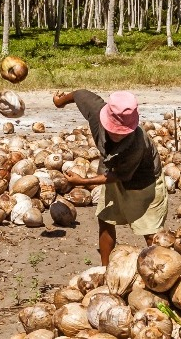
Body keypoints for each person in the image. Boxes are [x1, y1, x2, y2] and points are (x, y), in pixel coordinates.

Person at [52, 89, 167, 266]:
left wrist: (82, 182)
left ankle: (161, 273)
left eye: (122, 132)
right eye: (114, 129)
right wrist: (61, 101)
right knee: (105, 219)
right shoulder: (96, 111)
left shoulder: (137, 144)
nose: (117, 134)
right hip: (114, 174)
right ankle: (105, 270)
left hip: (144, 184)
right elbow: (79, 94)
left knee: (150, 231)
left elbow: (117, 176)